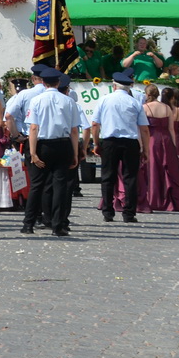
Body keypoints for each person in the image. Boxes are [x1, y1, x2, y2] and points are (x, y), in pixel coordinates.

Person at [22, 74, 81, 236]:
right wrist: (75, 153)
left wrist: (33, 152)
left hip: (43, 144)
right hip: (63, 144)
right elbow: (74, 130)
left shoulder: (37, 100)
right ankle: (58, 224)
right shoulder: (69, 101)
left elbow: (33, 128)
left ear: (43, 82)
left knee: (37, 185)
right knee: (60, 185)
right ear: (58, 83)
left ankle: (29, 223)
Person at [92, 70, 149, 223]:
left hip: (110, 141)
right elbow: (144, 129)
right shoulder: (135, 102)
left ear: (114, 86)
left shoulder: (104, 100)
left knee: (107, 177)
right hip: (130, 142)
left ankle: (108, 211)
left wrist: (97, 143)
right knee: (130, 177)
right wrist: (145, 150)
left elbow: (95, 124)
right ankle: (129, 212)